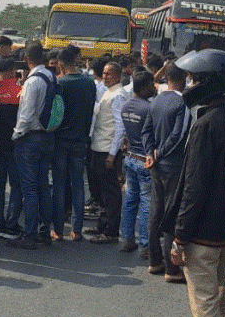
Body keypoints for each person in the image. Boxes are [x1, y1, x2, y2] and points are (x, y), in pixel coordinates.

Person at [167, 49, 225, 317]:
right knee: (222, 296)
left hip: (203, 237)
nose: (189, 85)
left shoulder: (206, 125)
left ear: (207, 83)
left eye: (193, 80)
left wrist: (180, 237)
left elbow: (194, 188)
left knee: (205, 308)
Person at [142, 61, 188, 283]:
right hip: (172, 165)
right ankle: (171, 268)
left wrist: (150, 152)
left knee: (155, 212)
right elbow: (179, 136)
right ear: (185, 79)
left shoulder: (156, 101)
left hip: (156, 164)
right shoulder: (182, 104)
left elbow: (146, 130)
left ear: (167, 79)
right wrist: (159, 153)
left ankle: (154, 261)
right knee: (171, 214)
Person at [8, 43, 56, 249]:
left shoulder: (32, 82)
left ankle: (29, 233)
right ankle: (45, 230)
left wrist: (16, 134)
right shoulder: (50, 77)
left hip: (30, 138)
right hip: (47, 136)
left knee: (29, 187)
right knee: (43, 185)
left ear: (27, 59)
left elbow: (26, 115)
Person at [52, 45, 96, 241]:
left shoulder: (60, 84)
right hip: (81, 139)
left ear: (60, 64)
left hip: (61, 139)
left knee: (60, 184)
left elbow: (55, 114)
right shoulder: (89, 83)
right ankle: (77, 230)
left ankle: (58, 229)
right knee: (78, 183)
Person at [0, 57, 24, 239]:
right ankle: (12, 224)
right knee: (16, 185)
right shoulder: (19, 92)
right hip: (16, 144)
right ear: (11, 71)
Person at [87, 61, 128, 244]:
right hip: (98, 146)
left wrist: (112, 154)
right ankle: (102, 225)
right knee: (100, 190)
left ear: (118, 76)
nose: (105, 77)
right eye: (103, 73)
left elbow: (120, 127)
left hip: (107, 150)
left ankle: (111, 231)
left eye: (109, 74)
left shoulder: (118, 95)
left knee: (110, 192)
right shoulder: (106, 92)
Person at [119, 70, 156, 254]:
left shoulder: (126, 106)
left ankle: (126, 239)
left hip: (130, 158)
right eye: (151, 85)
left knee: (130, 201)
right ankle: (145, 244)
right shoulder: (148, 108)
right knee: (147, 203)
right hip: (144, 160)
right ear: (142, 87)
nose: (154, 87)